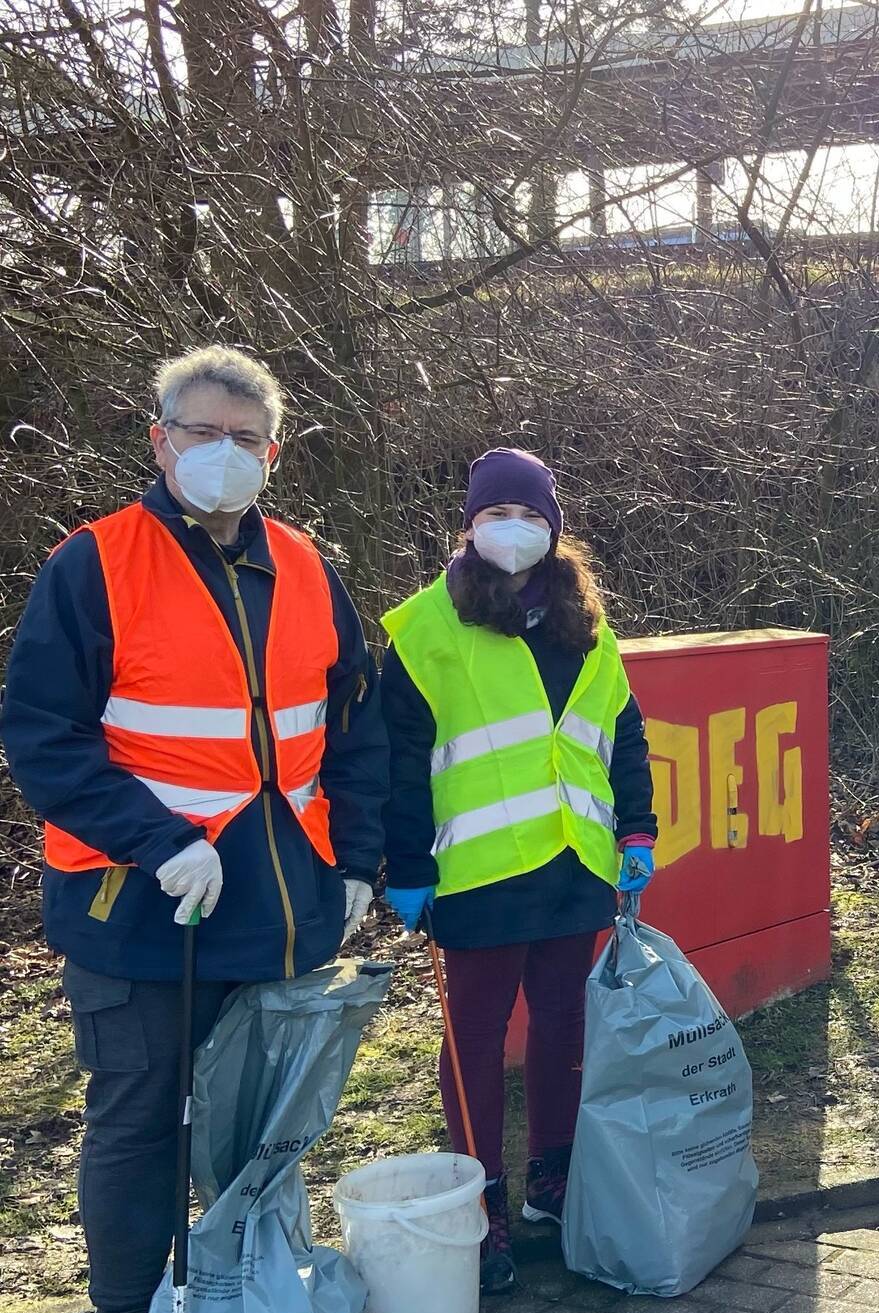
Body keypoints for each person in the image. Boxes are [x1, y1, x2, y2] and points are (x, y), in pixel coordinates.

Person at [0, 346, 387, 1313]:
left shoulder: (305, 567)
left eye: (246, 438)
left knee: (262, 1129)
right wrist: (155, 837)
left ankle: (243, 1289)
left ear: (275, 456)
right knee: (141, 1127)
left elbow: (355, 728)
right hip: (139, 908)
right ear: (159, 440)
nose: (225, 452)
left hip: (278, 906)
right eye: (204, 432)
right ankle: (130, 1301)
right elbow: (44, 737)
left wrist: (356, 861)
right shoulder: (94, 563)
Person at [379, 448, 657, 1294]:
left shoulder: (588, 624)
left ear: (555, 529)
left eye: (533, 516)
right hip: (476, 875)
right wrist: (404, 863)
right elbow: (398, 759)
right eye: (499, 513)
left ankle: (553, 1176)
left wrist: (636, 830)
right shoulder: (425, 629)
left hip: (574, 864)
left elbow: (624, 734)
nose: (516, 529)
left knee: (564, 1027)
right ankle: (481, 1200)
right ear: (469, 524)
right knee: (472, 1043)